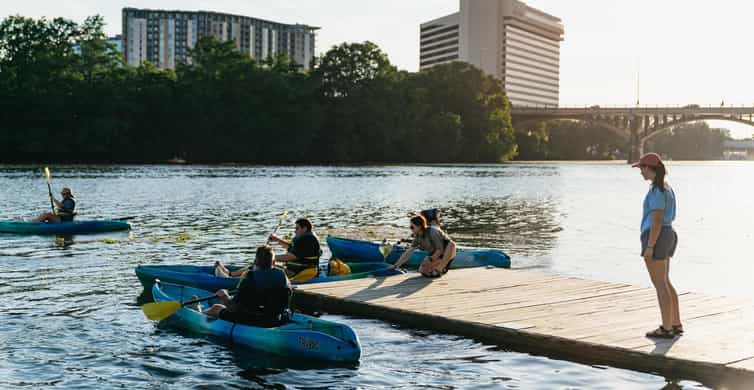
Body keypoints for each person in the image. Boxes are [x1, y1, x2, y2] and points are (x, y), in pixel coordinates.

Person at [633, 153, 682, 338]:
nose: (640, 172)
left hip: (658, 236)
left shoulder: (657, 190)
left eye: (641, 168)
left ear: (649, 168)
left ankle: (666, 328)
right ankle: (675, 323)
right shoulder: (667, 188)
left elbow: (656, 220)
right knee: (666, 282)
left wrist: (650, 247)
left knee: (660, 284)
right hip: (668, 234)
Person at [200, 245, 291, 327]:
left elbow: (234, 308)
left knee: (216, 308)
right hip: (280, 318)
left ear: (255, 261)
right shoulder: (283, 275)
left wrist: (224, 297)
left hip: (260, 321)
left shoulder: (250, 277)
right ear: (274, 262)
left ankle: (198, 311)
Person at [392, 215, 457, 278]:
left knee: (451, 244)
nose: (411, 229)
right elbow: (408, 253)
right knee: (422, 270)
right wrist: (396, 265)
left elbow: (440, 249)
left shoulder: (433, 231)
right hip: (436, 255)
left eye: (412, 227)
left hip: (448, 251)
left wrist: (431, 258)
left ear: (419, 226)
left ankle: (440, 268)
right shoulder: (417, 237)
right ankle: (440, 268)